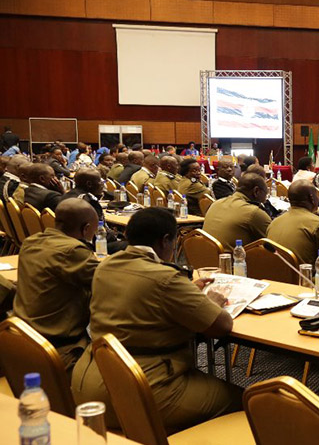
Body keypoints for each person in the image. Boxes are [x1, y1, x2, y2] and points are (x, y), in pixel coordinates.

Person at [72, 207, 241, 432]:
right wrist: (211, 301)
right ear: (165, 241)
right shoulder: (166, 277)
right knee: (245, 400)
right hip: (141, 388)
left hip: (90, 381)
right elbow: (221, 325)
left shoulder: (105, 266)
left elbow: (141, 296)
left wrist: (187, 291)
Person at [13, 199, 99, 372]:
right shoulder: (73, 251)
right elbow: (107, 281)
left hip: (22, 334)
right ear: (86, 228)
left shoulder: (31, 242)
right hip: (59, 346)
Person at [266, 180, 319, 265]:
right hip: (303, 276)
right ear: (312, 198)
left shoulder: (273, 223)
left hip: (272, 276)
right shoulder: (318, 224)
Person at [203, 172, 272, 251]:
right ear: (256, 191)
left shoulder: (216, 203)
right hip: (234, 261)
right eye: (265, 194)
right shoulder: (253, 212)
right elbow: (275, 245)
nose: (265, 199)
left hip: (204, 258)